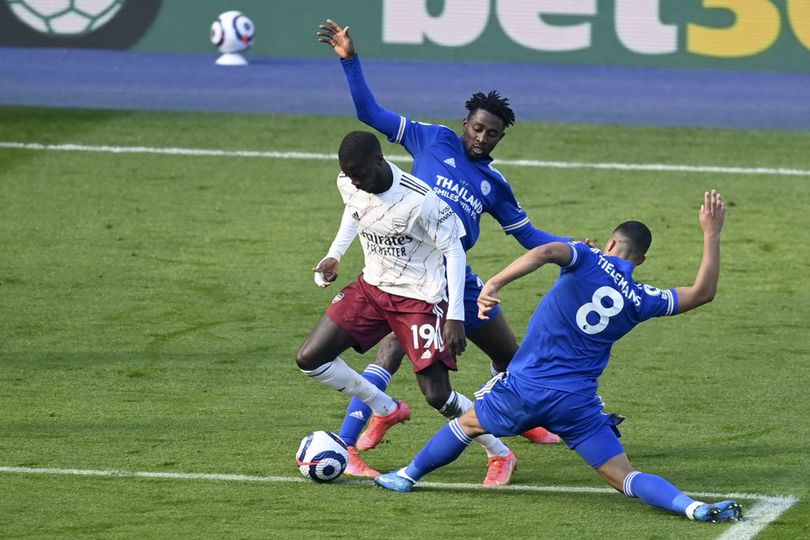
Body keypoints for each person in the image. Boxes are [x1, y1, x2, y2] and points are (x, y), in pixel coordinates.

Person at [374, 191, 743, 523]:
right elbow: (702, 293)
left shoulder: (587, 257)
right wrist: (711, 234)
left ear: (611, 242)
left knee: (466, 425)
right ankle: (693, 508)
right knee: (624, 476)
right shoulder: (643, 298)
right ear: (641, 259)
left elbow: (546, 251)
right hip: (576, 405)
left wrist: (494, 284)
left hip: (526, 389)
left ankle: (407, 476)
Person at [317, 19, 569, 478]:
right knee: (393, 349)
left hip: (456, 277)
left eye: (490, 134)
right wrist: (350, 61)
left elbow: (529, 237)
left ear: (500, 138)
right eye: (476, 128)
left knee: (510, 357)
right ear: (465, 123)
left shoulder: (495, 185)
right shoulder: (431, 138)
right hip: (407, 273)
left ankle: (523, 419)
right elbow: (370, 114)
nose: (480, 137)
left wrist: (575, 248)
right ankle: (353, 439)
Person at [297, 131, 518, 487]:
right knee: (310, 358)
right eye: (349, 175)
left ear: (380, 162)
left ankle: (500, 452)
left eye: (360, 175)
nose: (355, 182)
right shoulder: (350, 181)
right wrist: (334, 254)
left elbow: (455, 252)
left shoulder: (422, 202)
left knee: (437, 395)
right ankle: (385, 407)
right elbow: (354, 211)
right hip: (371, 289)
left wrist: (455, 314)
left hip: (419, 300)